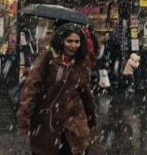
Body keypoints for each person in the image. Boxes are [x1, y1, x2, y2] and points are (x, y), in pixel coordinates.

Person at [17, 23, 96, 155]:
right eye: (69, 41)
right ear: (61, 41)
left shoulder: (81, 63)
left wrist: (91, 117)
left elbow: (86, 93)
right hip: (47, 121)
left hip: (73, 124)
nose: (73, 45)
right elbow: (31, 88)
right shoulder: (48, 58)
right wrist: (24, 118)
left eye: (77, 41)